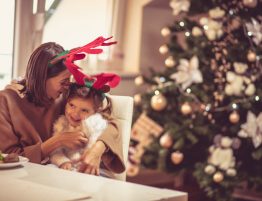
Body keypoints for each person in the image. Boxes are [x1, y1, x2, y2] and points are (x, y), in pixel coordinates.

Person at [0, 39, 125, 176]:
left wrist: (96, 150)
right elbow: (8, 157)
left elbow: (110, 122)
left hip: (66, 174)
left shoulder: (66, 97)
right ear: (42, 78)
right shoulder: (6, 101)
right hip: (24, 177)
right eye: (64, 81)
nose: (68, 86)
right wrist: (57, 140)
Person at [50, 83, 112, 176]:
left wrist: (84, 161)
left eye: (84, 110)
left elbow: (93, 148)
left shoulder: (94, 124)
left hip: (88, 168)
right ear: (66, 102)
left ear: (95, 111)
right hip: (67, 169)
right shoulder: (61, 124)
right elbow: (55, 151)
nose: (75, 114)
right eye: (72, 105)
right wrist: (63, 161)